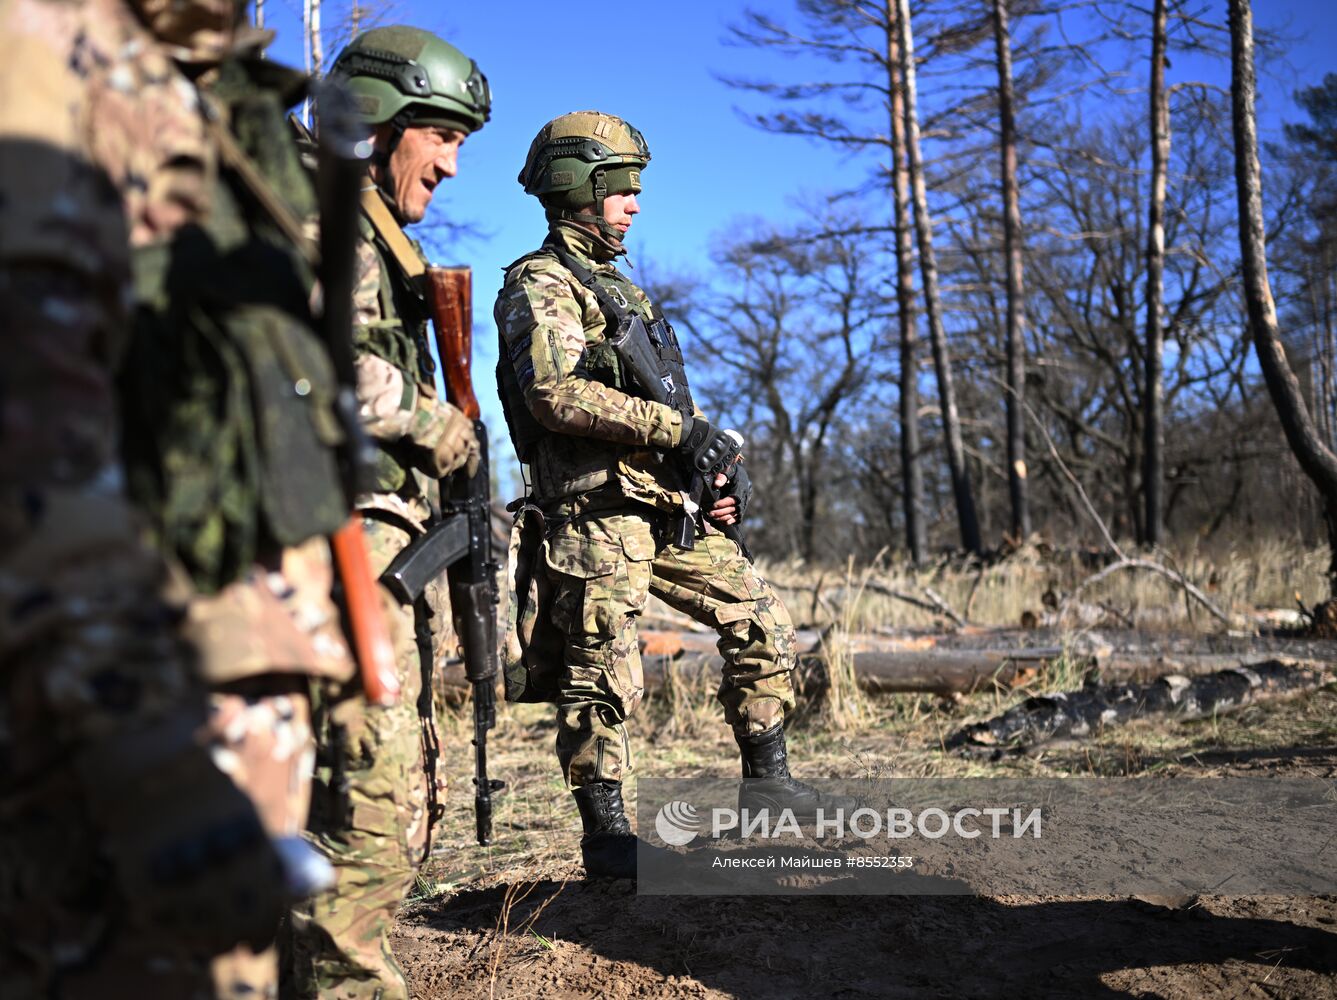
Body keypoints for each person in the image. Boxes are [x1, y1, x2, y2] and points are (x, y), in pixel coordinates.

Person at [0, 0, 315, 993]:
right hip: (105, 711)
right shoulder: (41, 46)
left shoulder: (196, 81)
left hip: (204, 690)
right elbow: (27, 420)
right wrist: (145, 746)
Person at [495, 111, 848, 879]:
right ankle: (609, 843)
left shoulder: (624, 290)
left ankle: (770, 791)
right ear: (574, 189)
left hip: (662, 509)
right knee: (602, 671)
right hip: (592, 517)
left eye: (634, 190)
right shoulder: (539, 282)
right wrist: (676, 432)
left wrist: (708, 476)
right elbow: (553, 394)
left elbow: (667, 418)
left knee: (760, 617)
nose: (634, 204)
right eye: (620, 189)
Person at [285, 26, 490, 1000]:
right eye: (440, 135)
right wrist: (431, 422)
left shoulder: (357, 215)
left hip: (366, 535)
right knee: (366, 800)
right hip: (317, 530)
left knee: (386, 791)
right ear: (376, 120)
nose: (451, 164)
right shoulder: (298, 195)